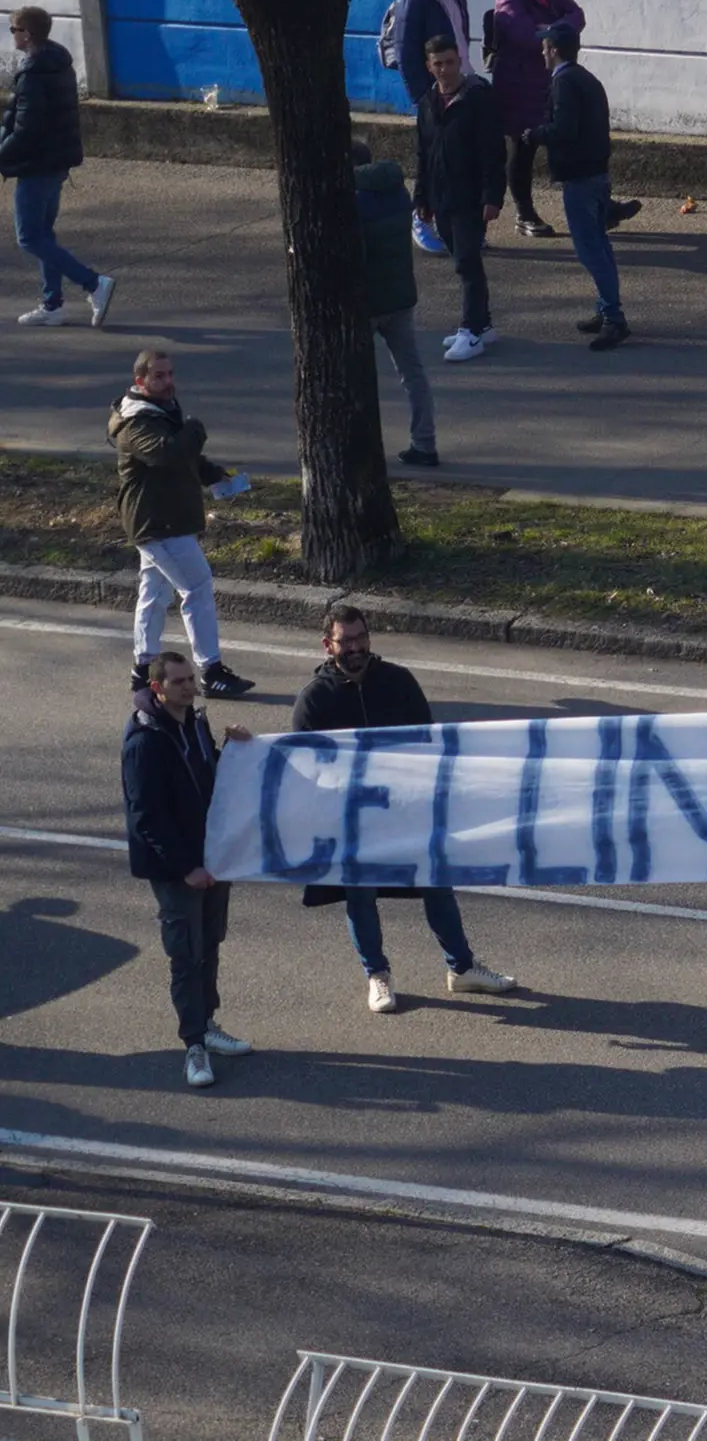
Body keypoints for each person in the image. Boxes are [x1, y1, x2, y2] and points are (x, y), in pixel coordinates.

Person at [298, 608, 528, 1016]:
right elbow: (300, 764)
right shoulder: (314, 699)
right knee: (360, 896)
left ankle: (462, 968)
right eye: (346, 641)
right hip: (352, 820)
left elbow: (429, 744)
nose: (355, 647)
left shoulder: (398, 681)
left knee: (437, 885)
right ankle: (377, 975)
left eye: (361, 637)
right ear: (327, 645)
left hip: (407, 811)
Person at [124, 653, 251, 1090]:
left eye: (191, 679)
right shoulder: (144, 740)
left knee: (210, 944)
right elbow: (147, 817)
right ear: (157, 688)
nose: (188, 687)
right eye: (178, 681)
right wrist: (186, 868)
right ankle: (193, 1045)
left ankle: (207, 1023)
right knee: (185, 955)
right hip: (177, 870)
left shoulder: (195, 723)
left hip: (212, 857)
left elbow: (208, 775)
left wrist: (233, 749)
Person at [113, 351, 250, 697]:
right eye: (159, 376)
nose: (168, 382)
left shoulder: (161, 411)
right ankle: (211, 671)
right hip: (158, 523)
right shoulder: (136, 422)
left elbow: (183, 457)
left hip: (165, 520)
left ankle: (143, 668)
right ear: (140, 381)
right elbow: (167, 454)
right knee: (197, 586)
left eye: (170, 374)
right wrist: (195, 429)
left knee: (155, 593)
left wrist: (212, 474)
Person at [526, 26, 632, 349]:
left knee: (590, 250)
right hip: (597, 173)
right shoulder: (587, 79)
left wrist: (535, 134)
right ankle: (605, 308)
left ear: (554, 50)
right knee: (600, 246)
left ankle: (613, 317)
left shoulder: (564, 82)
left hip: (579, 178)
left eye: (545, 47)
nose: (542, 53)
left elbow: (565, 129)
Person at [4, 5, 108, 326]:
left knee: (29, 238)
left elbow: (26, 129)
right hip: (55, 161)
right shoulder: (56, 62)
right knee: (43, 235)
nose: (12, 35)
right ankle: (52, 306)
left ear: (27, 34)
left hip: (38, 165)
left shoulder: (35, 72)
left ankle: (93, 283)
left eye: (14, 29)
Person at [480, 0, 584, 239]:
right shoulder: (507, 1)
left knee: (571, 140)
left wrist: (551, 28)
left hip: (548, 82)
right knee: (522, 149)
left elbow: (578, 15)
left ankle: (598, 206)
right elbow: (528, 36)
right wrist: (559, 28)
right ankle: (524, 214)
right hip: (518, 87)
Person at [415, 37, 502, 362]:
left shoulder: (477, 99)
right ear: (429, 66)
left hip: (470, 197)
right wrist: (421, 197)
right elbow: (423, 153)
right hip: (441, 197)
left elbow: (492, 151)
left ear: (459, 61)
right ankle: (484, 323)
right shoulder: (428, 103)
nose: (445, 70)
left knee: (467, 262)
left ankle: (471, 331)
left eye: (450, 62)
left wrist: (492, 197)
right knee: (461, 259)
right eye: (438, 64)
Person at [348, 140, 433, 466]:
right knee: (413, 374)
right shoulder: (398, 193)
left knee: (354, 377)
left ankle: (360, 447)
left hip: (367, 303)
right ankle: (425, 442)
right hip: (400, 297)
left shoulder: (354, 204)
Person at [389, 0, 471, 254]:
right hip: (432, 93)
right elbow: (406, 54)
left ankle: (455, 224)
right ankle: (421, 217)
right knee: (433, 159)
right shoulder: (415, 0)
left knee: (457, 159)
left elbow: (462, 38)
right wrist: (422, 99)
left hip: (458, 85)